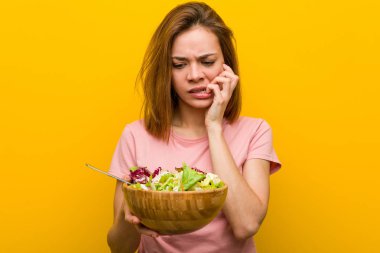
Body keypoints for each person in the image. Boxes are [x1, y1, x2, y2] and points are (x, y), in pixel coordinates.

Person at [107, 2, 281, 253]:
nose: (195, 75)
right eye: (179, 65)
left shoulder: (255, 132)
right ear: (166, 72)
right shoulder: (135, 136)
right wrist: (130, 216)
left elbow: (246, 224)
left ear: (226, 64)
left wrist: (213, 126)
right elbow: (120, 249)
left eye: (207, 61)